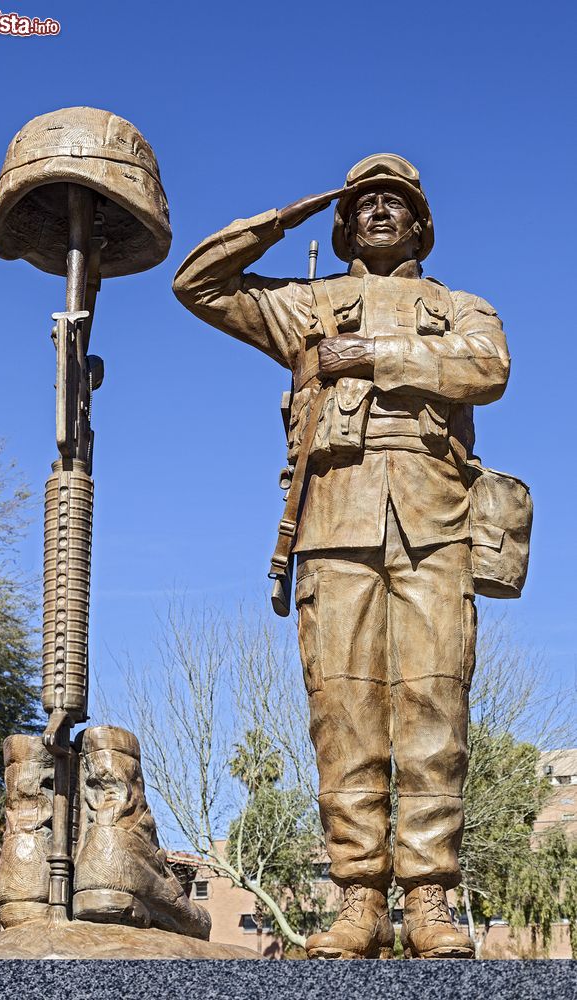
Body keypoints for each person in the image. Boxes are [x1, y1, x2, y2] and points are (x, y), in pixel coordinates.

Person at [173, 154, 510, 959]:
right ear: (344, 221)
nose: (380, 212)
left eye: (396, 202)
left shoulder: (458, 305)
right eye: (363, 203)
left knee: (435, 713)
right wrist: (289, 212)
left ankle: (430, 898)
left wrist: (372, 357)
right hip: (332, 521)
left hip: (435, 520)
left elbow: (488, 369)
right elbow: (199, 284)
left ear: (421, 223)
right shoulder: (307, 303)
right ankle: (357, 896)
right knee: (343, 719)